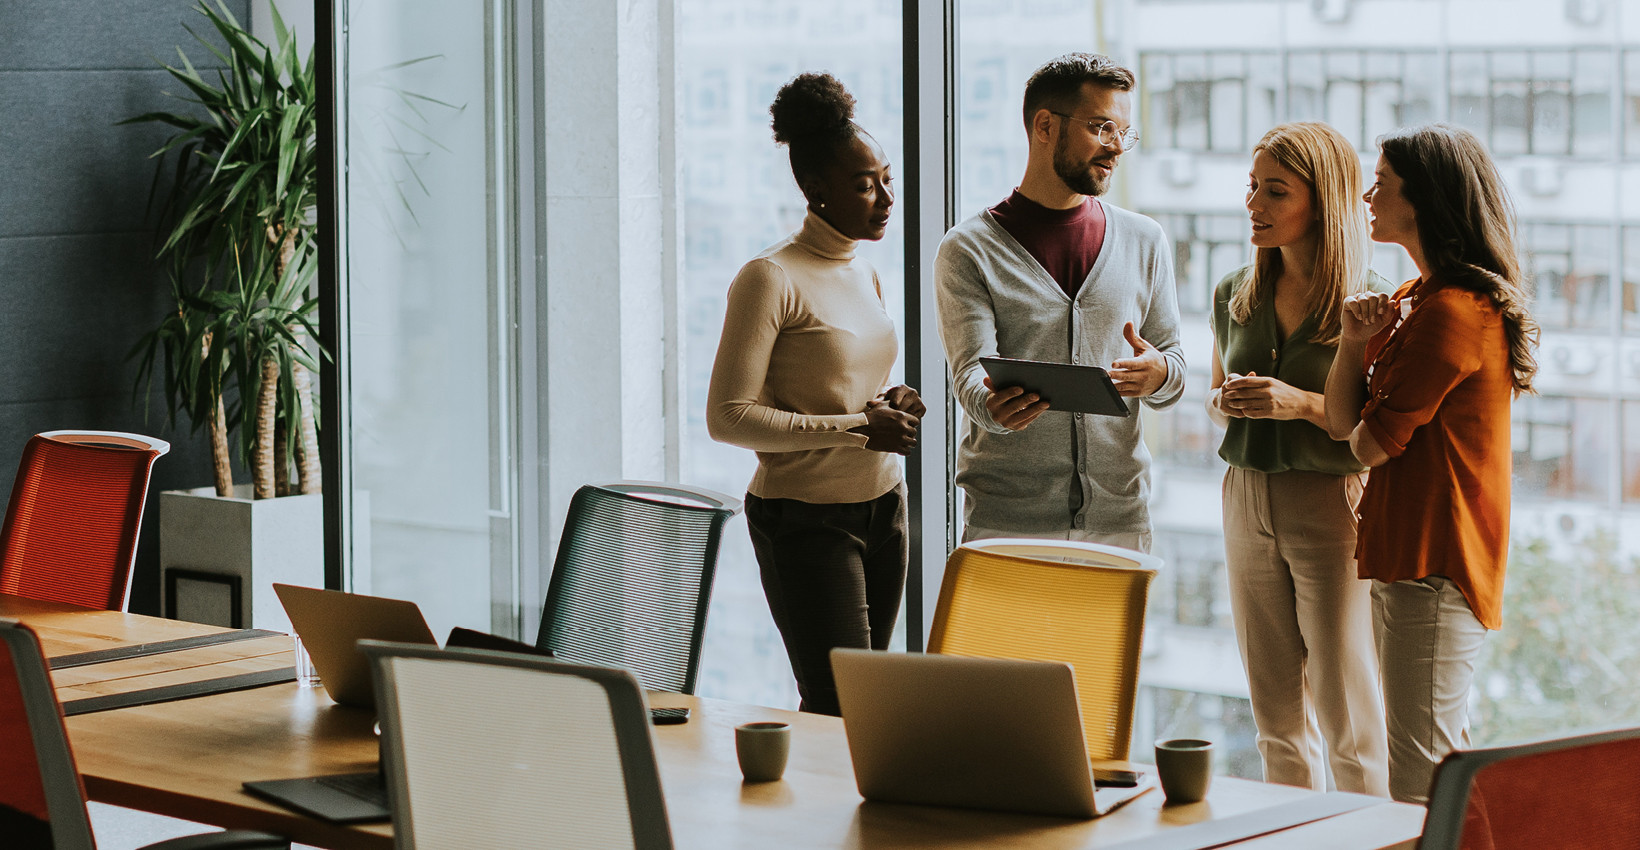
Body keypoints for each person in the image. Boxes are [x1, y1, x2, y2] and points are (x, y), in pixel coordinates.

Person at [1323, 124, 1539, 804]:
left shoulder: (1450, 312)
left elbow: (1363, 445)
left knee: (1419, 775)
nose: (1367, 195)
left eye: (1382, 184)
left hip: (1435, 559)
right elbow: (1340, 422)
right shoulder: (1421, 297)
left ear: (1423, 201)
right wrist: (1355, 342)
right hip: (1408, 554)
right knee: (1432, 759)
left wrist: (1365, 372)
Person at [706, 72, 922, 717]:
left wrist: (890, 402)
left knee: (866, 698)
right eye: (865, 184)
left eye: (886, 177)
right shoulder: (769, 277)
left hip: (885, 505)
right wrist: (858, 427)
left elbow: (849, 384)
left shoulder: (863, 267)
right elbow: (728, 417)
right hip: (806, 519)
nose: (886, 197)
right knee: (838, 705)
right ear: (815, 190)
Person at [934, 53, 1184, 552]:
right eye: (1102, 128)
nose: (1116, 148)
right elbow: (968, 378)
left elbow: (1172, 365)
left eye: (1124, 133)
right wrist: (993, 406)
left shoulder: (1145, 240)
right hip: (1008, 522)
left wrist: (1159, 374)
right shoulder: (968, 249)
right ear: (1045, 126)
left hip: (1120, 520)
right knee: (1010, 638)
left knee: (1106, 639)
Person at [1207, 122, 1391, 796]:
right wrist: (1226, 400)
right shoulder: (1234, 292)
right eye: (1252, 187)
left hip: (1331, 501)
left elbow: (1378, 429)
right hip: (1244, 496)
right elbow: (1217, 393)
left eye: (1275, 191)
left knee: (1349, 712)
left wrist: (1299, 403)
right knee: (1274, 719)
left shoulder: (1372, 304)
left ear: (1324, 201)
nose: (1254, 204)